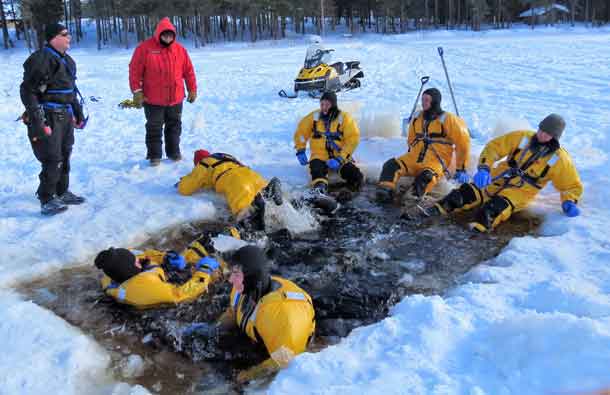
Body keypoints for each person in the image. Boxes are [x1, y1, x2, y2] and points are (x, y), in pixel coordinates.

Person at [417, 114, 583, 232]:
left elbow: (571, 185)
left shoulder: (559, 159)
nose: (541, 135)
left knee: (491, 211)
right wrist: (484, 168)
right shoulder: (522, 137)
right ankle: (432, 212)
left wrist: (569, 201)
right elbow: (493, 148)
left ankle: (473, 238)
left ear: (555, 137)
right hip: (498, 177)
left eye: (546, 133)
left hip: (519, 191)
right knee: (462, 194)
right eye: (540, 129)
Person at [216, 246, 315, 383]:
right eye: (231, 273)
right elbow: (233, 312)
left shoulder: (282, 314)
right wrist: (214, 331)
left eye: (236, 274)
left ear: (252, 278)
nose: (230, 280)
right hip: (263, 332)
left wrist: (246, 376)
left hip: (288, 344)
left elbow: (285, 358)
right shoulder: (242, 289)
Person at [20, 23, 86, 216]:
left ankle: (62, 191)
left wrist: (78, 111)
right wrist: (38, 120)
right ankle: (47, 198)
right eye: (64, 34)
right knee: (52, 158)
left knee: (65, 154)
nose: (69, 37)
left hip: (65, 115)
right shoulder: (41, 60)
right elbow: (27, 91)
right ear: (53, 38)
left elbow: (71, 91)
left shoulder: (68, 61)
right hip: (48, 115)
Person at [376, 88, 471, 202]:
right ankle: (384, 194)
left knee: (426, 178)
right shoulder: (417, 117)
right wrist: (412, 152)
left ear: (435, 101)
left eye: (426, 100)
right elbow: (411, 139)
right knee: (390, 165)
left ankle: (411, 201)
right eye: (422, 99)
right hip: (413, 158)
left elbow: (463, 143)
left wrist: (461, 168)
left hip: (434, 162)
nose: (423, 102)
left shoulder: (449, 119)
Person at [129, 17, 197, 166]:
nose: (168, 37)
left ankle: (174, 153)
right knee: (154, 127)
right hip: (153, 99)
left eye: (170, 34)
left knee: (174, 126)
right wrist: (137, 91)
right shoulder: (144, 49)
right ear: (159, 34)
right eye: (165, 34)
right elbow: (134, 71)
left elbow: (189, 71)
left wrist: (192, 88)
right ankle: (155, 156)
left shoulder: (180, 50)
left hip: (175, 97)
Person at [94, 234, 225, 309]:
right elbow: (180, 295)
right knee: (218, 273)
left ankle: (234, 232)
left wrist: (165, 257)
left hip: (160, 276)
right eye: (136, 262)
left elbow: (143, 254)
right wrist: (204, 271)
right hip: (166, 296)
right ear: (131, 270)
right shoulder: (139, 288)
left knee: (207, 241)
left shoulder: (118, 265)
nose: (139, 260)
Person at [177, 150, 283, 230]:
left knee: (248, 224)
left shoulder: (204, 163)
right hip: (254, 177)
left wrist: (182, 182)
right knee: (265, 203)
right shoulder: (225, 158)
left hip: (237, 184)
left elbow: (184, 189)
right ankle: (268, 191)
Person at [293, 91, 364, 194]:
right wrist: (300, 149)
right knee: (317, 173)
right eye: (322, 104)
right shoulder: (313, 117)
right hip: (319, 156)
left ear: (334, 105)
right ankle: (320, 193)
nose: (324, 107)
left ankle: (348, 193)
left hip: (339, 156)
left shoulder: (344, 118)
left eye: (327, 104)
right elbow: (301, 134)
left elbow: (353, 139)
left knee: (356, 176)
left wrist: (340, 158)